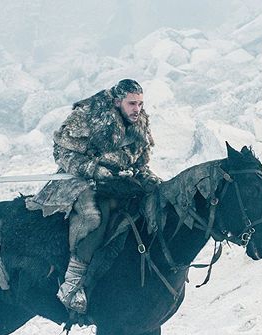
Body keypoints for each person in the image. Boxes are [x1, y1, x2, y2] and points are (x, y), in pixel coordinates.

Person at [26, 79, 161, 314]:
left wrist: (146, 177)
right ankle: (71, 283)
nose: (137, 109)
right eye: (131, 103)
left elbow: (140, 161)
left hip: (121, 182)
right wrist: (94, 170)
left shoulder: (140, 121)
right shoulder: (88, 114)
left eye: (140, 103)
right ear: (118, 101)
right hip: (81, 180)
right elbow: (62, 151)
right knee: (93, 218)